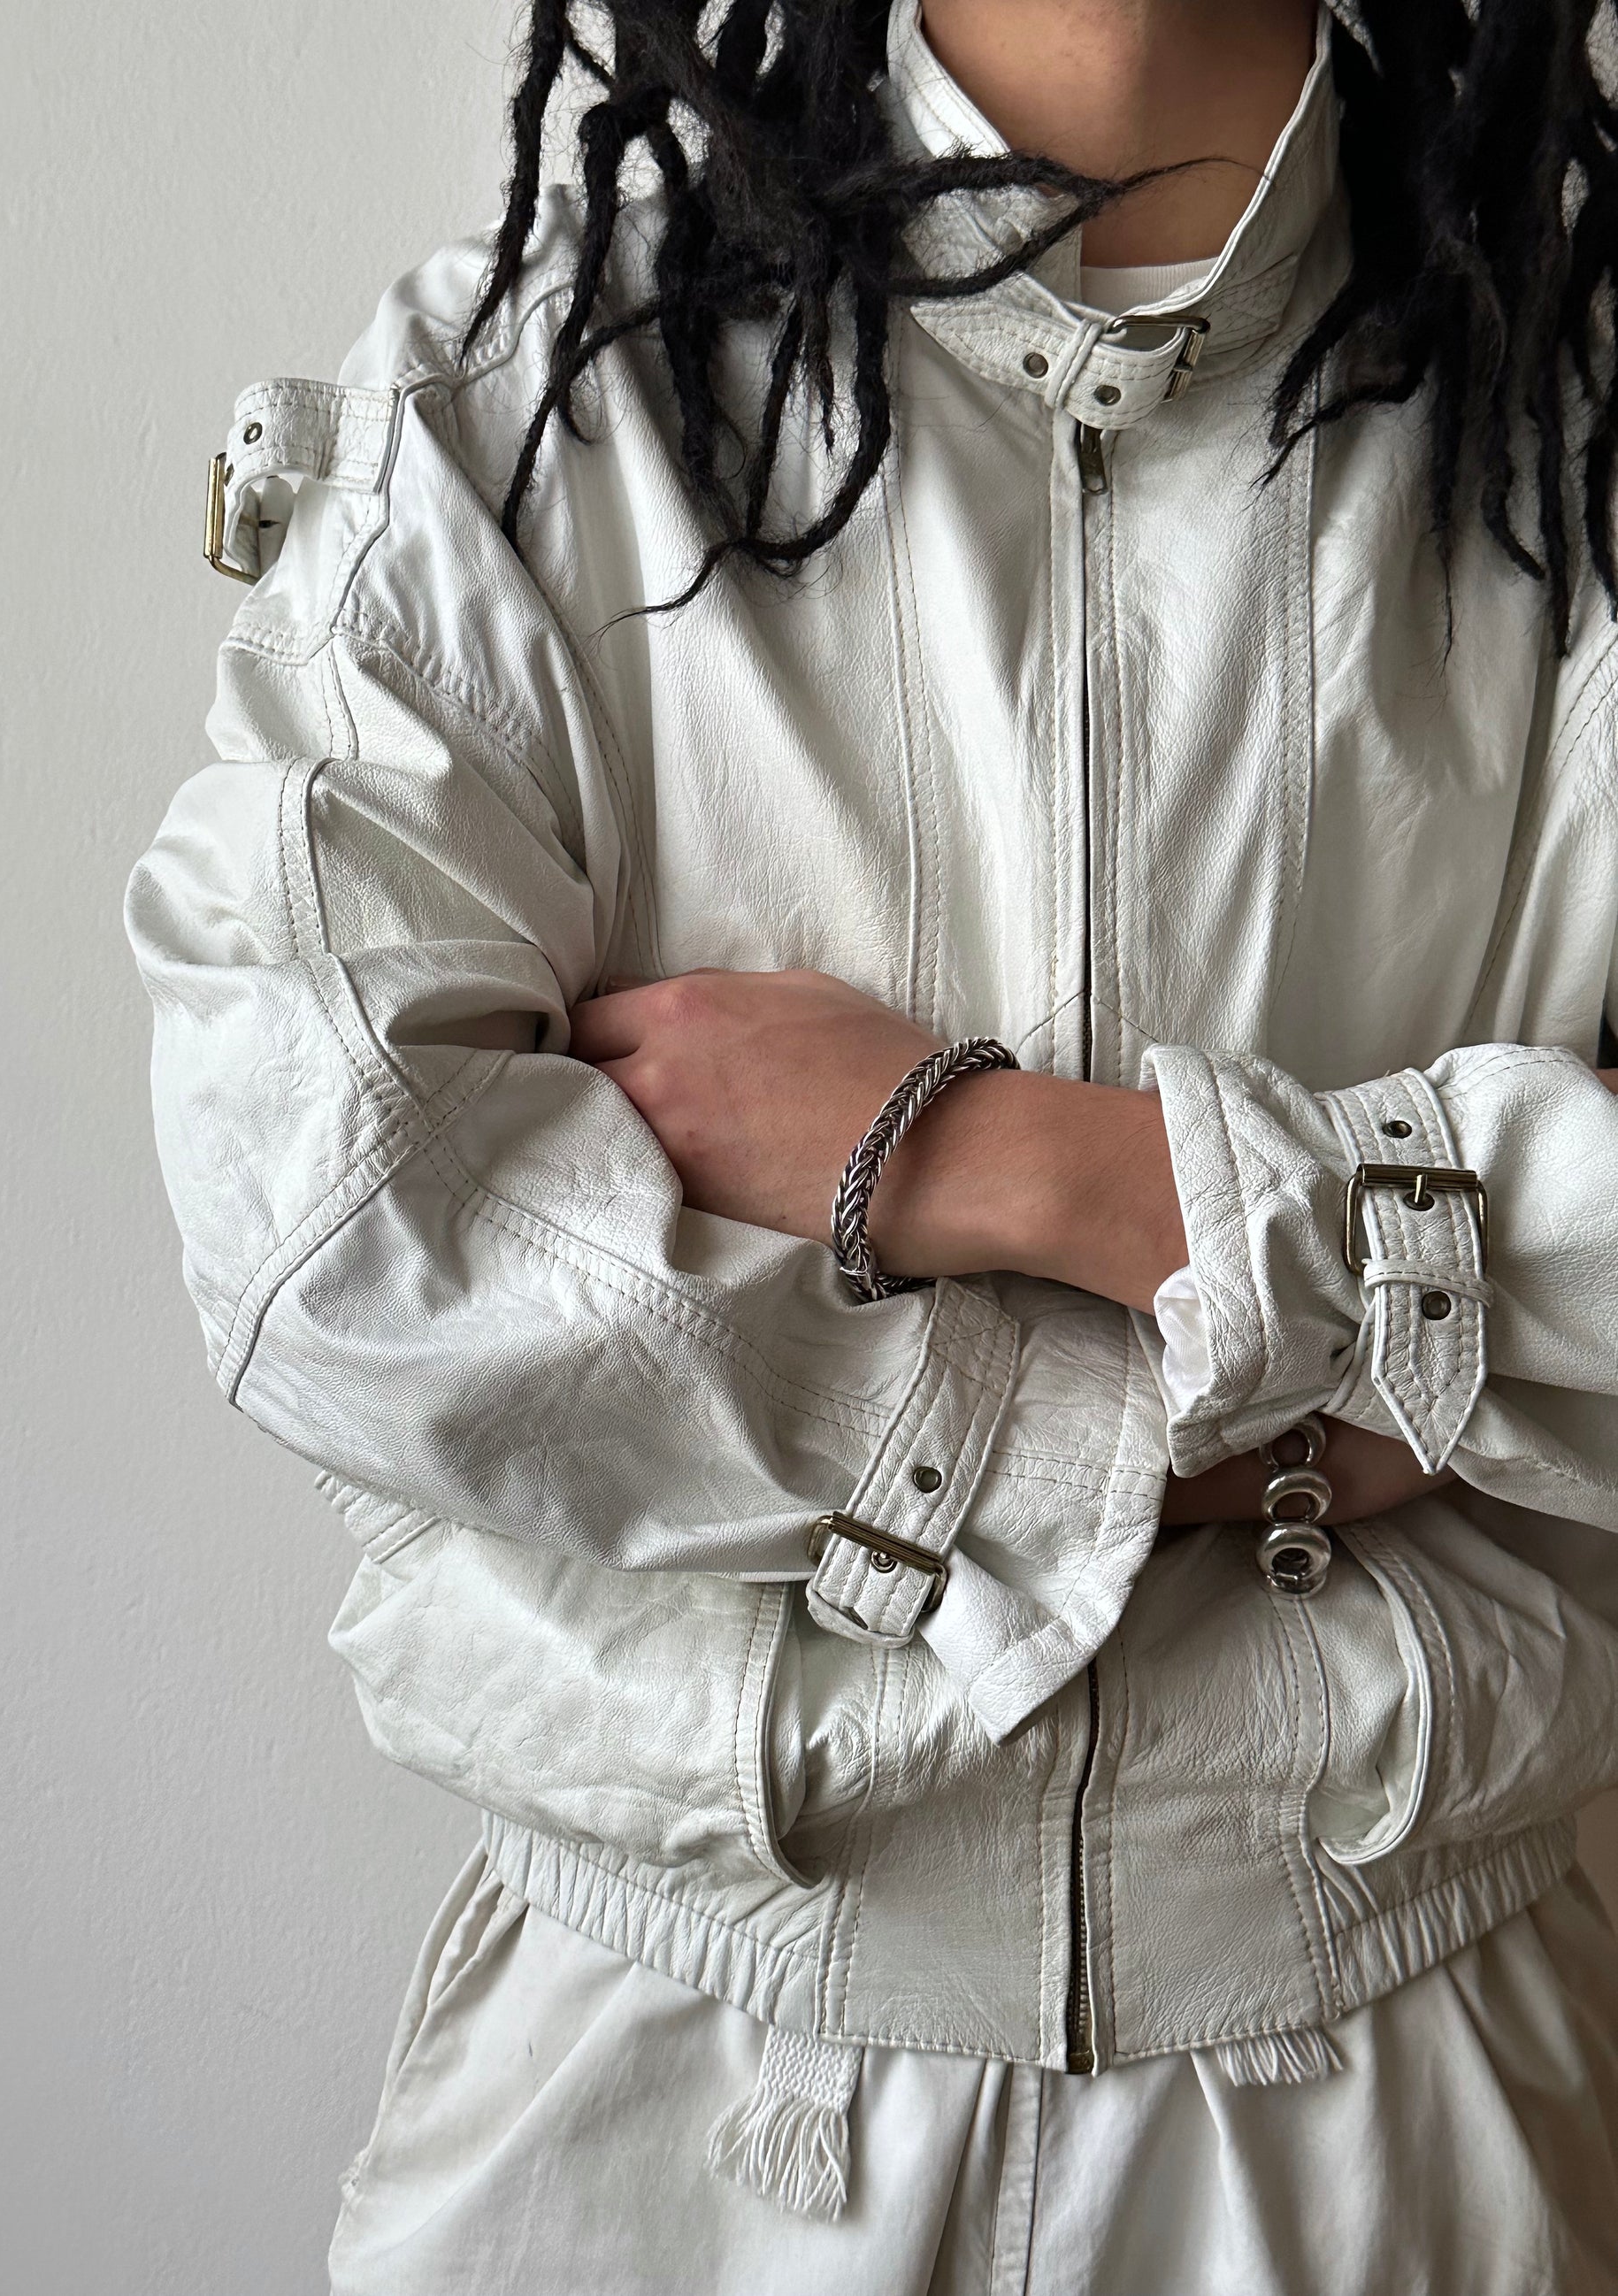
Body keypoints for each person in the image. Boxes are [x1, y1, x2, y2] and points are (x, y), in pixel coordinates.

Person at [128, 0, 1618, 2285]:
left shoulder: (1570, 423)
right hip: (675, 2127)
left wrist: (1009, 1167)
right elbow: (332, 1214)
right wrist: (1217, 1433)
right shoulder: (539, 416)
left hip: (1407, 2128)